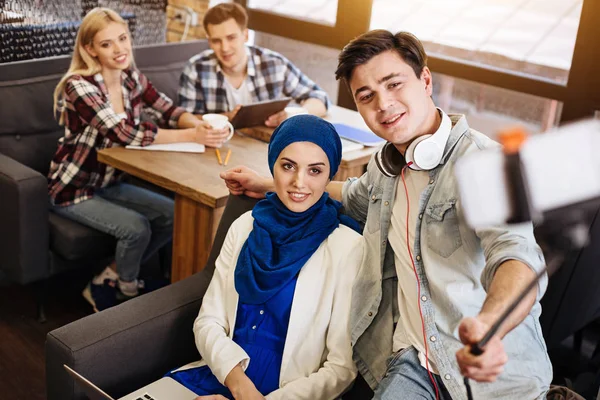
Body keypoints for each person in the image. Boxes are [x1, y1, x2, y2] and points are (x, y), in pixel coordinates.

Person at [219, 30, 553, 399]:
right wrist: (270, 182)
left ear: (425, 80)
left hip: (495, 374)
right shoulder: (386, 167)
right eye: (367, 96)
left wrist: (491, 327)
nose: (384, 104)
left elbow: (517, 256)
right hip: (414, 363)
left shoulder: (484, 164)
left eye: (394, 84)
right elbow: (349, 194)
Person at [165, 115, 364, 400]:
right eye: (288, 166)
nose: (299, 182)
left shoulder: (349, 248)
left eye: (315, 171)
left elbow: (340, 369)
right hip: (222, 373)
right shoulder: (245, 226)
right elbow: (208, 321)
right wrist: (239, 386)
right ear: (273, 166)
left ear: (330, 175)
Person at [48, 7, 231, 312]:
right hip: (73, 190)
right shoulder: (79, 86)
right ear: (89, 49)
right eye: (107, 44)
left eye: (122, 38)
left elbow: (167, 109)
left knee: (173, 215)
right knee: (136, 228)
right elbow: (123, 133)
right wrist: (191, 137)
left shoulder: (130, 76)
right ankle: (126, 293)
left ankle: (110, 277)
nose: (120, 49)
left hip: (112, 182)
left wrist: (202, 125)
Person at [177, 2, 329, 128]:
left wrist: (295, 115)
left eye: (231, 38)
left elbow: (320, 98)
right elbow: (182, 118)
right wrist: (227, 117)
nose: (224, 48)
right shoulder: (195, 69)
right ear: (209, 41)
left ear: (246, 35)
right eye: (216, 41)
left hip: (264, 147)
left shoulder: (273, 64)